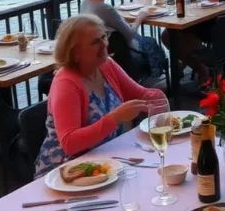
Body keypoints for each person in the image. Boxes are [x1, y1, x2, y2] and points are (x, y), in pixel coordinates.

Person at [34, 15, 166, 178]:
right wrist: (115, 118)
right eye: (95, 42)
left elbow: (141, 94)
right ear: (75, 53)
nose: (104, 45)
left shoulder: (105, 64)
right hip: (66, 170)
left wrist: (160, 100)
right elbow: (70, 143)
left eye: (104, 37)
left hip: (105, 161)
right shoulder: (66, 83)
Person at [79, 0, 167, 79]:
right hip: (121, 51)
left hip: (107, 49)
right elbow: (130, 34)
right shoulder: (105, 8)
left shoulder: (86, 2)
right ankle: (159, 77)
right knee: (151, 43)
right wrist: (140, 18)